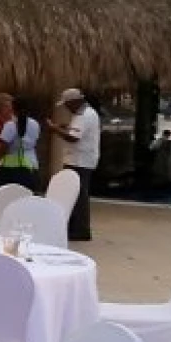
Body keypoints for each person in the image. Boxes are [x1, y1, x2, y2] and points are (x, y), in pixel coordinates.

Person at [48, 88, 100, 240]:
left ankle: (81, 230)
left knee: (78, 195)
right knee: (77, 194)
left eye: (67, 104)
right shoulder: (85, 113)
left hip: (80, 161)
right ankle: (76, 228)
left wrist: (55, 129)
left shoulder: (83, 115)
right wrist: (64, 127)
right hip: (79, 159)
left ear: (75, 102)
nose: (66, 108)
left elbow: (73, 138)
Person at [0, 94, 42, 191]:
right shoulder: (35, 124)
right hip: (31, 163)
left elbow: (4, 147)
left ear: (13, 109)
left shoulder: (10, 125)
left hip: (11, 168)